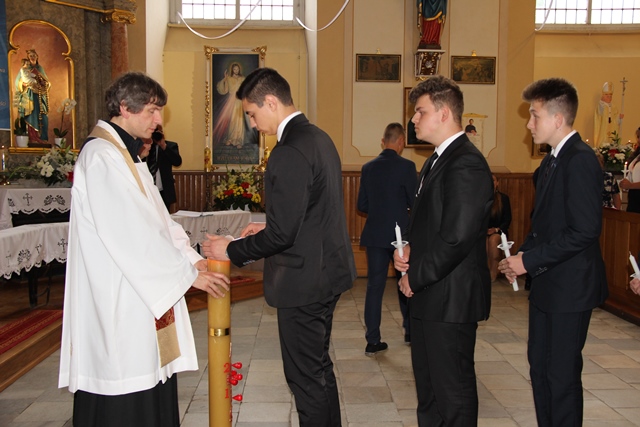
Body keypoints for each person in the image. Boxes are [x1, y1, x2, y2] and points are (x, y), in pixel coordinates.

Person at [58, 71, 230, 426]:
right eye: (152, 110)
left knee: (150, 374)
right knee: (126, 379)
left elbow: (158, 220)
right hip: (120, 296)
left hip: (140, 294)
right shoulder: (102, 156)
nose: (158, 120)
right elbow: (129, 233)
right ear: (125, 107)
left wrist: (193, 260)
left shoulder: (126, 155)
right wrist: (185, 275)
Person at [202, 67, 356, 427]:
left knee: (305, 379)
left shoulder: (289, 151)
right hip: (326, 272)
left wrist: (231, 250)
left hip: (303, 283)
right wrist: (270, 224)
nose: (252, 124)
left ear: (271, 102)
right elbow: (313, 211)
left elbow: (283, 236)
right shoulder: (318, 138)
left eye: (253, 114)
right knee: (317, 369)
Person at [499, 78, 608, 427]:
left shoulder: (580, 160)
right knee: (541, 369)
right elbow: (546, 226)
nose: (529, 124)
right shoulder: (550, 162)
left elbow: (584, 230)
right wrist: (522, 256)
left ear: (558, 119)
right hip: (549, 284)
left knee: (561, 376)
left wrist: (529, 261)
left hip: (571, 287)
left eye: (535, 115)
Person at [393, 75, 493, 426]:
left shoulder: (466, 162)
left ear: (444, 113)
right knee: (429, 392)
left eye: (420, 111)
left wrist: (415, 277)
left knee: (453, 396)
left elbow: (457, 238)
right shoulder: (435, 160)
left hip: (451, 299)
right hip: (430, 294)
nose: (414, 119)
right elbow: (429, 224)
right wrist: (407, 248)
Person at [358, 122, 417, 354]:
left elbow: (362, 204)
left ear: (383, 142)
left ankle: (373, 340)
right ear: (401, 142)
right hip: (400, 236)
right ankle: (411, 331)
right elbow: (415, 202)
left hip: (374, 234)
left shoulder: (368, 167)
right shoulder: (407, 167)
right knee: (405, 280)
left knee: (374, 287)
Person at [14, 49, 50, 142]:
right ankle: (29, 137)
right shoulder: (24, 69)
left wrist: (44, 84)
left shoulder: (40, 69)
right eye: (30, 56)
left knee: (43, 116)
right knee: (29, 114)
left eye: (34, 55)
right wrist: (23, 84)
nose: (32, 57)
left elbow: (47, 82)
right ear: (28, 58)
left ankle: (42, 137)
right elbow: (17, 82)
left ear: (37, 57)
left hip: (39, 96)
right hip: (29, 96)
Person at [146, 124, 183, 211]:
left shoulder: (170, 146)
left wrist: (163, 146)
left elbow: (177, 162)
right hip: (148, 189)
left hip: (164, 190)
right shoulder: (146, 146)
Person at [213, 62, 249, 148]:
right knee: (231, 120)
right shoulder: (229, 79)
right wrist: (225, 79)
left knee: (239, 121)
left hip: (239, 101)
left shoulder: (242, 79)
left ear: (239, 69)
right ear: (232, 70)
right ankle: (230, 138)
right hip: (231, 101)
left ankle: (239, 140)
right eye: (234, 69)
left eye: (237, 69)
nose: (236, 70)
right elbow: (224, 90)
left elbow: (246, 89)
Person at [486, 175, 512, 282]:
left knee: (493, 240)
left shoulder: (503, 198)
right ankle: (485, 272)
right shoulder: (481, 198)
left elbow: (507, 219)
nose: (491, 182)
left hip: (499, 231)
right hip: (483, 232)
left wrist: (496, 229)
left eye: (493, 180)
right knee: (483, 241)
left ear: (497, 183)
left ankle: (493, 272)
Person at [594, 81, 623, 147]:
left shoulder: (614, 107)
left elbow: (616, 120)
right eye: (607, 96)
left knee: (613, 140)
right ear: (603, 96)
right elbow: (599, 113)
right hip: (603, 129)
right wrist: (601, 102)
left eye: (610, 96)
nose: (609, 98)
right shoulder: (601, 105)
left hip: (612, 128)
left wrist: (619, 118)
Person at [619, 127, 640, 213]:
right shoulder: (637, 155)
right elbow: (632, 174)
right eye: (638, 137)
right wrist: (625, 182)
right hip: (634, 197)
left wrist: (631, 185)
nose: (639, 140)